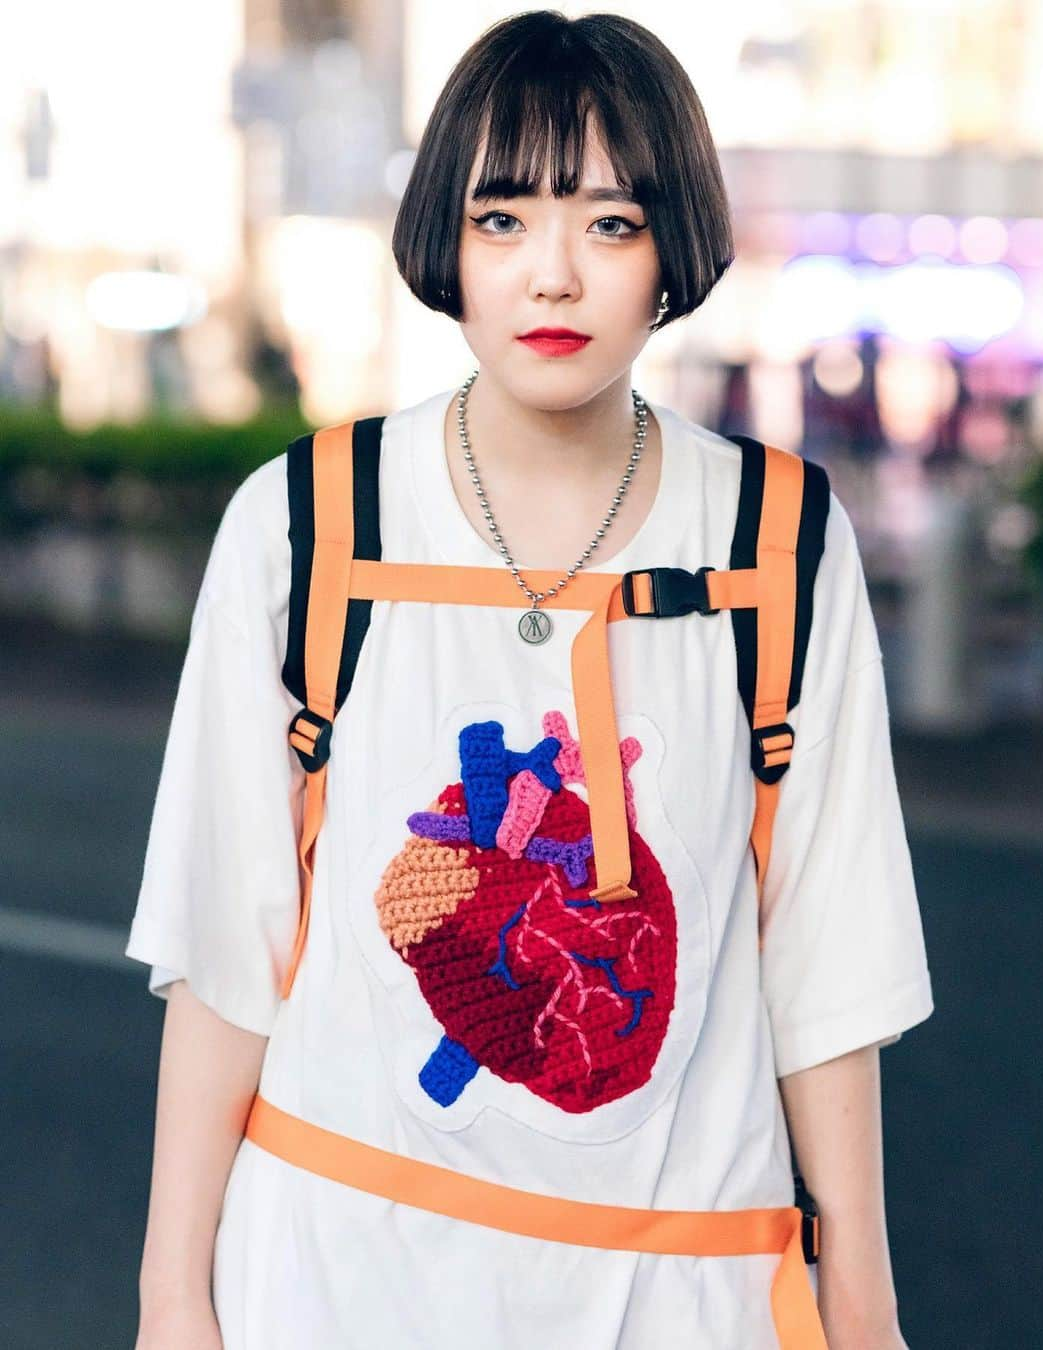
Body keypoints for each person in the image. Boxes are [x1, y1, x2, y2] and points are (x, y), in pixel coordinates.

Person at [126, 12, 934, 1349]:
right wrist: (172, 1302)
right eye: (503, 218)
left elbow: (827, 965)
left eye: (611, 223)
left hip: (673, 1294)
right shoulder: (313, 523)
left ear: (674, 245)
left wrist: (865, 1310)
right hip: (337, 1274)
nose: (552, 275)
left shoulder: (773, 543)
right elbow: (228, 945)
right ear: (445, 235)